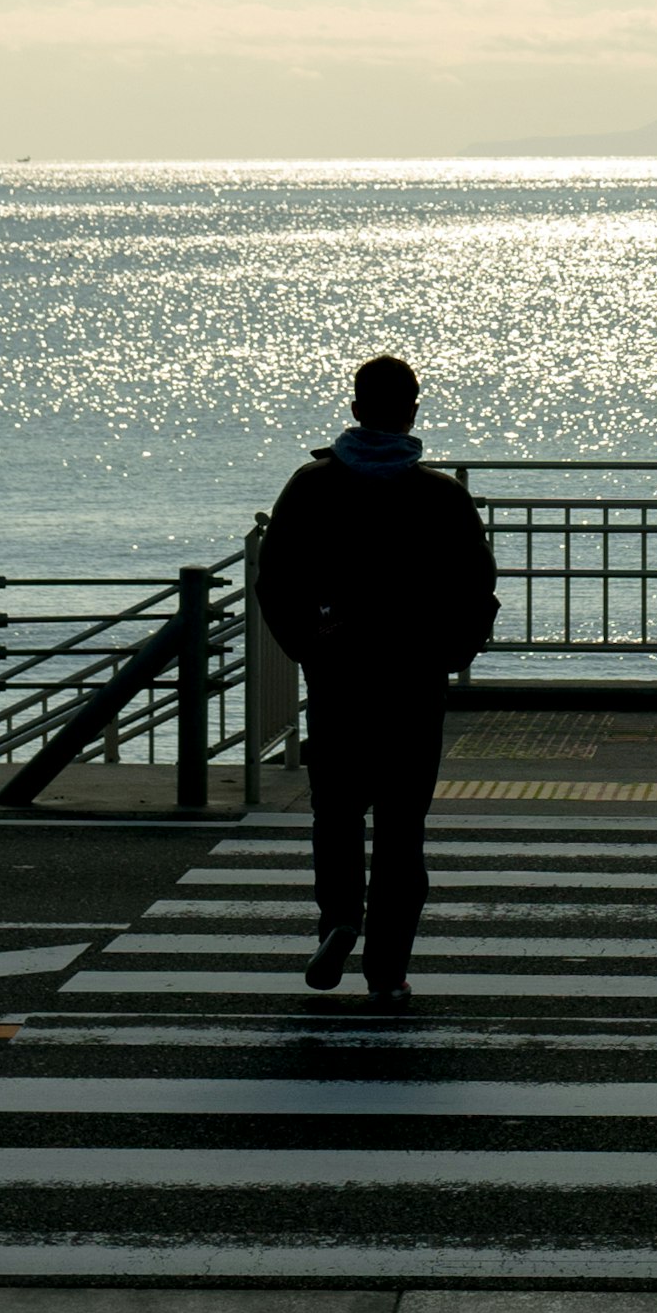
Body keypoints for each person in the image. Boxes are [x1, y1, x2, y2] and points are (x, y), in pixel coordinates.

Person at [253, 353, 500, 1007]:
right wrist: (449, 652)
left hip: (338, 679)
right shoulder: (441, 496)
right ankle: (387, 969)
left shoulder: (311, 486)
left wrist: (309, 643)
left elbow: (273, 580)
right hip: (413, 683)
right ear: (412, 411)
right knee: (401, 827)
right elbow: (478, 590)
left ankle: (340, 917)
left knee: (335, 812)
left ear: (356, 409)